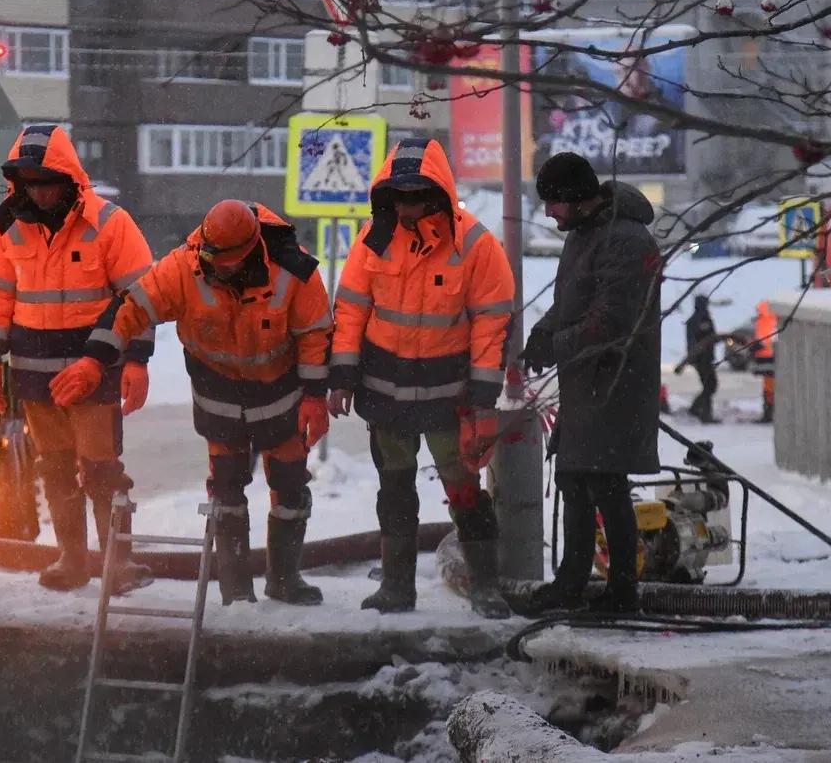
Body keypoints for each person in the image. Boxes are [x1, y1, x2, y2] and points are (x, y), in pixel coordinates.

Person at [49, 200, 332, 606]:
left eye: (231, 262)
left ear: (252, 249)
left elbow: (316, 335)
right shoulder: (184, 268)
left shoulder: (293, 272)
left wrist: (315, 397)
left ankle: (285, 579)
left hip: (280, 397)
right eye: (216, 259)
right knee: (226, 491)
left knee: (289, 486)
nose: (222, 269)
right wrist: (95, 360)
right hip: (217, 395)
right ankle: (235, 592)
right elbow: (129, 310)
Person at [328, 137, 515, 618]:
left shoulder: (475, 245)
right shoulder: (374, 239)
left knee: (465, 490)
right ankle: (397, 587)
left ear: (438, 193)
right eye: (398, 195)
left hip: (448, 397)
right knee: (394, 489)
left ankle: (485, 586)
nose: (406, 205)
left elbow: (493, 324)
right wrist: (343, 375)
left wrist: (482, 399)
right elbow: (350, 309)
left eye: (415, 195)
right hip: (385, 394)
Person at [0, 124, 155, 594]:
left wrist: (136, 360)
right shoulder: (8, 227)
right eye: (30, 182)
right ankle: (72, 558)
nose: (40, 191)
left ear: (70, 178)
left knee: (102, 469)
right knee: (54, 467)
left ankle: (119, 563)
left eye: (48, 181)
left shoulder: (111, 224)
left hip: (94, 372)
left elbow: (141, 297)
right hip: (34, 375)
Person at [520, 152, 661, 616]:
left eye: (553, 203)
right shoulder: (584, 234)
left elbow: (611, 321)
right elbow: (572, 302)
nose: (548, 213)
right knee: (574, 478)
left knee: (604, 482)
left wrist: (555, 344)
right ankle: (572, 582)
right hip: (587, 379)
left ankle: (622, 591)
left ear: (577, 198)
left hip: (616, 379)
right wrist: (543, 334)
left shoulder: (625, 239)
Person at [675, 295, 721, 424]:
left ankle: (697, 409)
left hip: (699, 358)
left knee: (709, 385)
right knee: (710, 385)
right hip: (703, 358)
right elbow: (707, 338)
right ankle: (704, 414)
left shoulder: (693, 320)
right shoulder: (703, 320)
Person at [753, 300, 777, 423]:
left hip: (766, 357)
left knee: (769, 387)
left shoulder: (764, 321)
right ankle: (769, 410)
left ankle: (769, 411)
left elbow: (763, 340)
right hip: (769, 357)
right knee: (769, 387)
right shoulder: (771, 320)